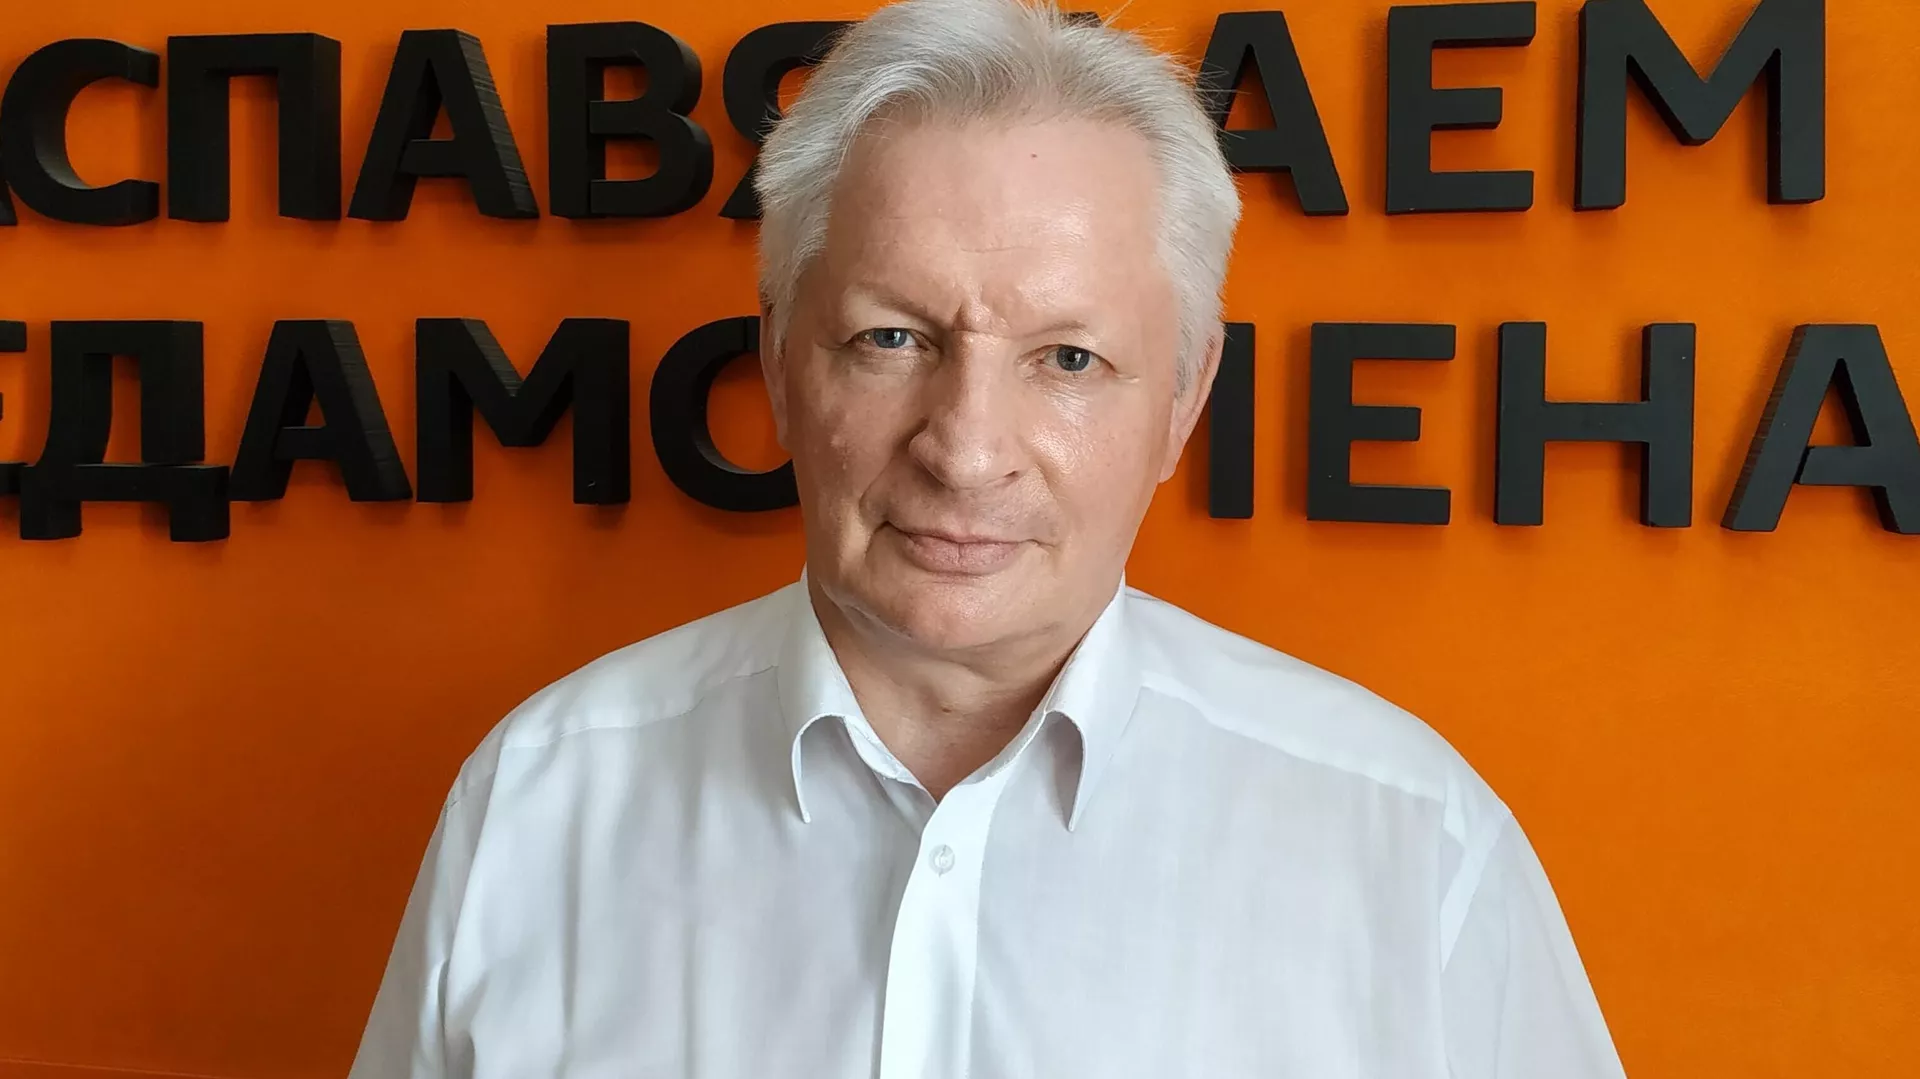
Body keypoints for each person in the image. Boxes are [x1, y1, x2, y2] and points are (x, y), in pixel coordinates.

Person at [348, 1, 1629, 1075]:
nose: (965, 448)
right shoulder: (537, 800)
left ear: (1184, 399)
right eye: (891, 337)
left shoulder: (1409, 843)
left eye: (1067, 358)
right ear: (781, 364)